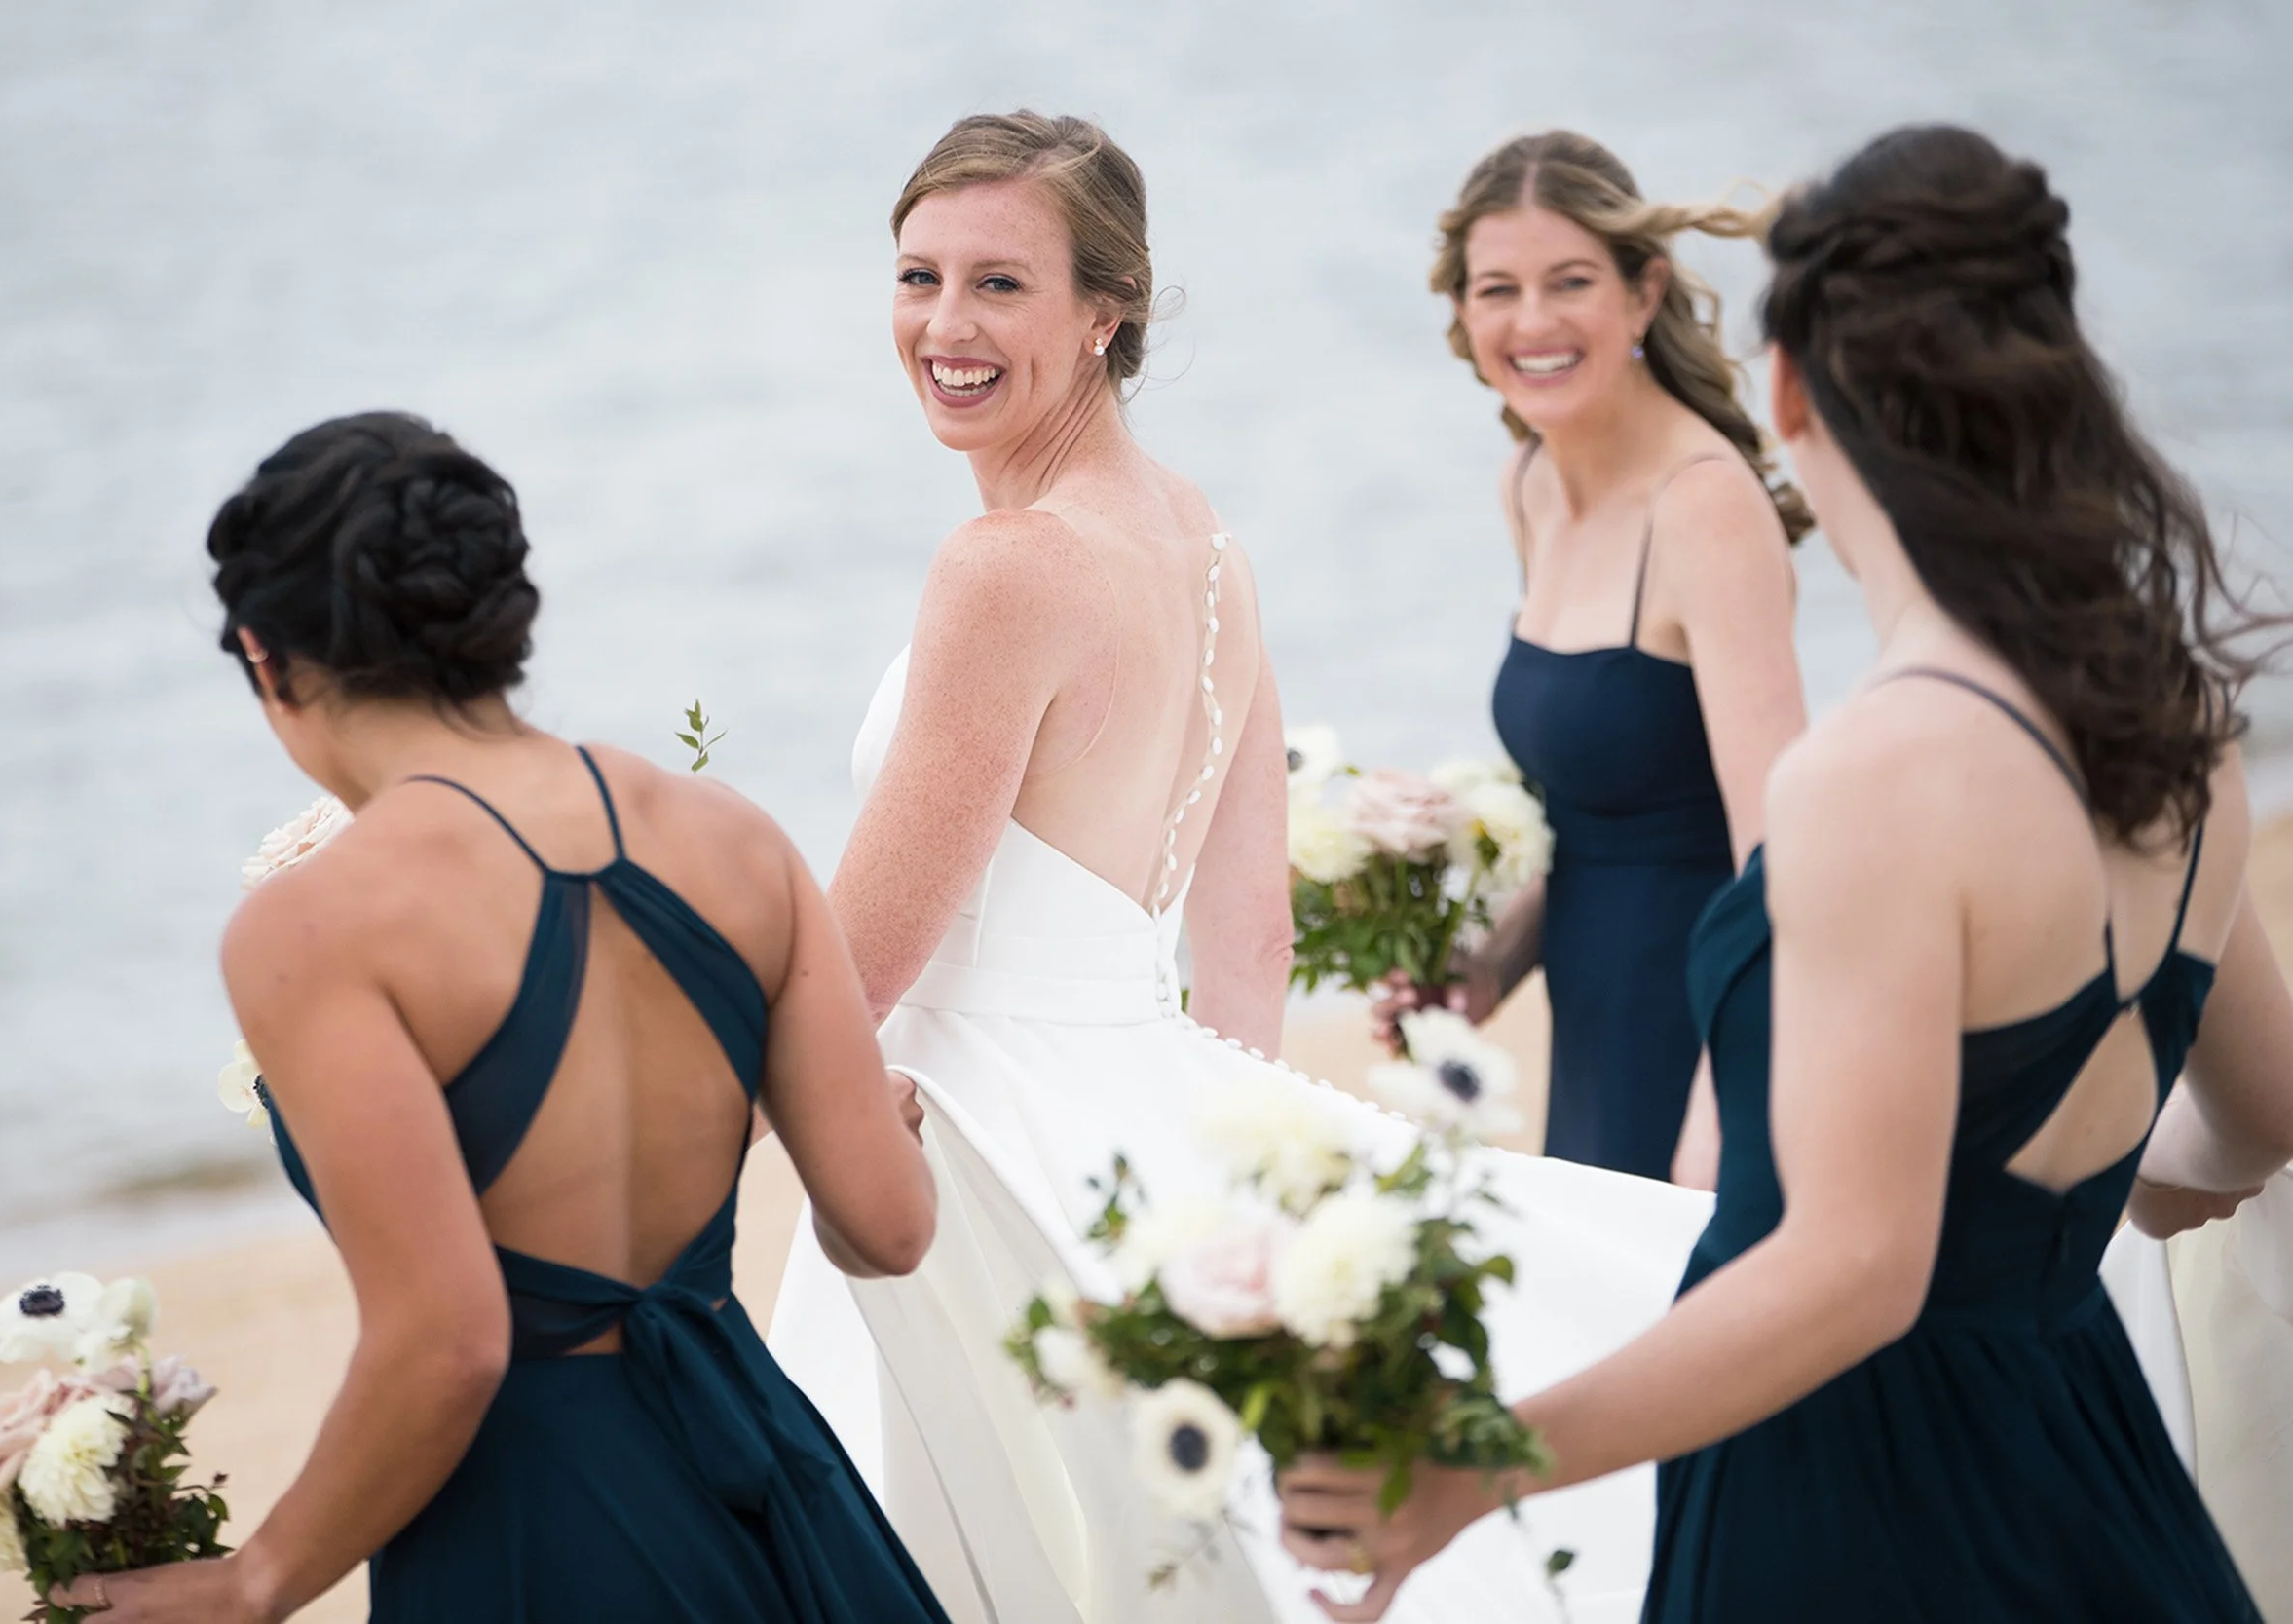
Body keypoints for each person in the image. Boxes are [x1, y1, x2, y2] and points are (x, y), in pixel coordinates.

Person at [1278, 125, 2293, 1622]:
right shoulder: (2187, 724)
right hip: (2086, 1447)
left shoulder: (1874, 778)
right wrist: (2055, 1181)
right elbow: (2260, 1120)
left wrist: (1461, 1474)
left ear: (1794, 390)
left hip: (1844, 1503)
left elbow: (1853, 1271)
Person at [768, 112, 1714, 1624]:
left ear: (1105, 312)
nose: (945, 325)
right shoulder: (1205, 543)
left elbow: (848, 968)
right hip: (1142, 1106)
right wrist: (1227, 1163)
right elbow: (1250, 940)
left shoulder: (1002, 569)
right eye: (918, 275)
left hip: (971, 1140)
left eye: (1000, 285)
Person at [55, 413, 949, 1624]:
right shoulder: (733, 835)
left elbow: (451, 1340)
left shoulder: (317, 925)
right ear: (494, 618)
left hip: (538, 1523)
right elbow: (888, 1227)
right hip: (770, 1484)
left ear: (269, 662)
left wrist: (253, 1582)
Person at [1401, 131, 1809, 1187]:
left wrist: (1726, 1114)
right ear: (1463, 314)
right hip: (1591, 1028)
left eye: (1569, 282)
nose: (1530, 321)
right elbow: (1594, 819)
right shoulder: (1529, 482)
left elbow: (1785, 852)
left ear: (1642, 293)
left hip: (1704, 1039)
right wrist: (1487, 968)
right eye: (1498, 289)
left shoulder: (1706, 506)